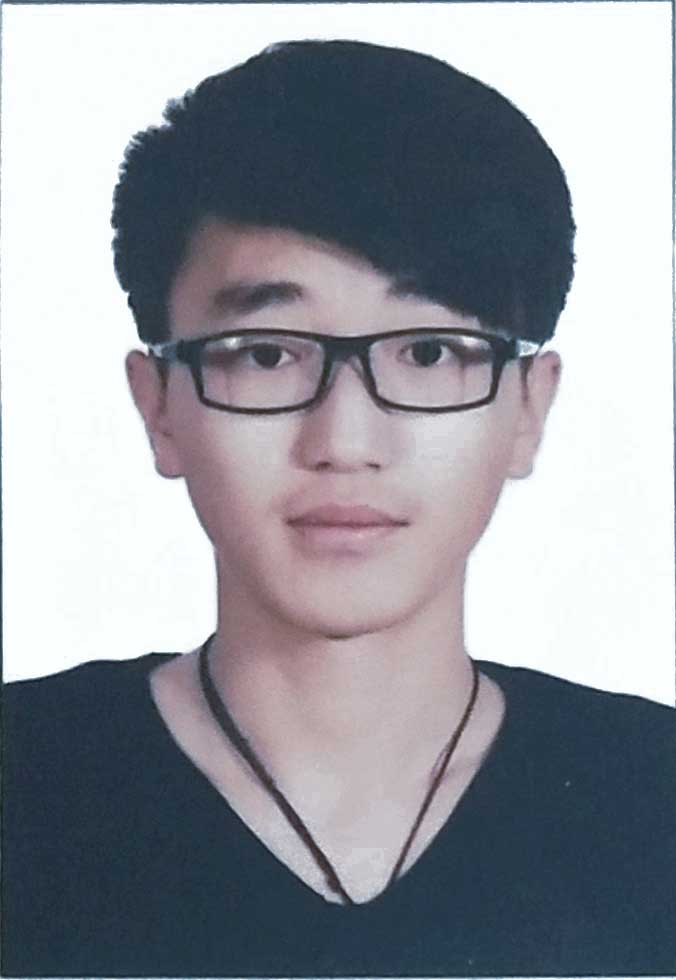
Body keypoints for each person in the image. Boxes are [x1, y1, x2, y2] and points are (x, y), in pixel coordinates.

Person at [3, 39, 674, 978]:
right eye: (267, 353)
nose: (346, 439)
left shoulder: (652, 796)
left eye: (430, 353)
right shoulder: (24, 781)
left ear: (530, 409)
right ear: (157, 408)